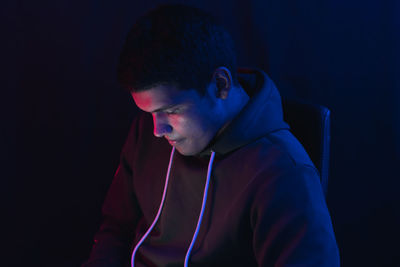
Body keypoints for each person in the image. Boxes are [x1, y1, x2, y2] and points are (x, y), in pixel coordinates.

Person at [82, 4, 340, 267]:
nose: (158, 130)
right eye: (149, 112)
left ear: (220, 84)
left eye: (171, 110)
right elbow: (116, 228)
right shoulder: (147, 133)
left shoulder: (285, 173)